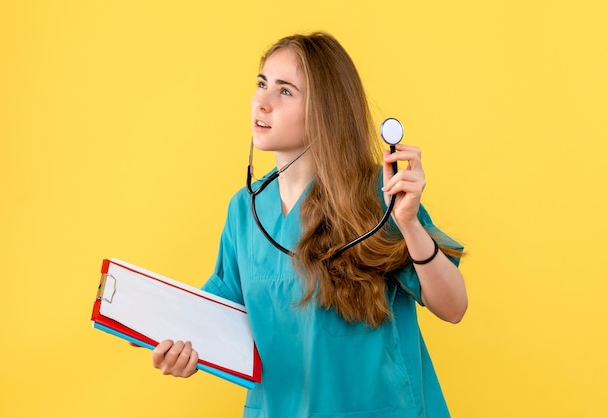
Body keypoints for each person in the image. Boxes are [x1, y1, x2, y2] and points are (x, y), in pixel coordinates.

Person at [151, 32, 467, 417]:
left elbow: (453, 307)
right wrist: (161, 333)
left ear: (325, 110)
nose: (262, 103)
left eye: (285, 92)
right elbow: (216, 319)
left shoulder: (377, 195)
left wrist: (409, 224)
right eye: (262, 84)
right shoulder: (244, 212)